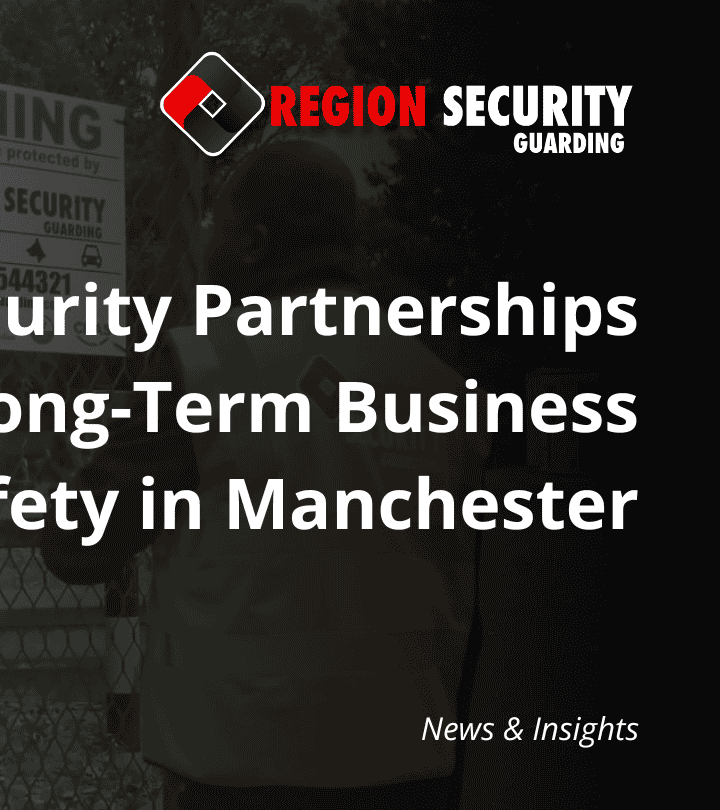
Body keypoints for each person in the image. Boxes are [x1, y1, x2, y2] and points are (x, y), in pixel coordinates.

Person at [39, 140, 489, 809]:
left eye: (216, 225)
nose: (207, 243)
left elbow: (77, 547)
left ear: (255, 242)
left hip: (239, 771)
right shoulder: (440, 382)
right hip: (408, 773)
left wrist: (76, 470)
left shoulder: (202, 366)